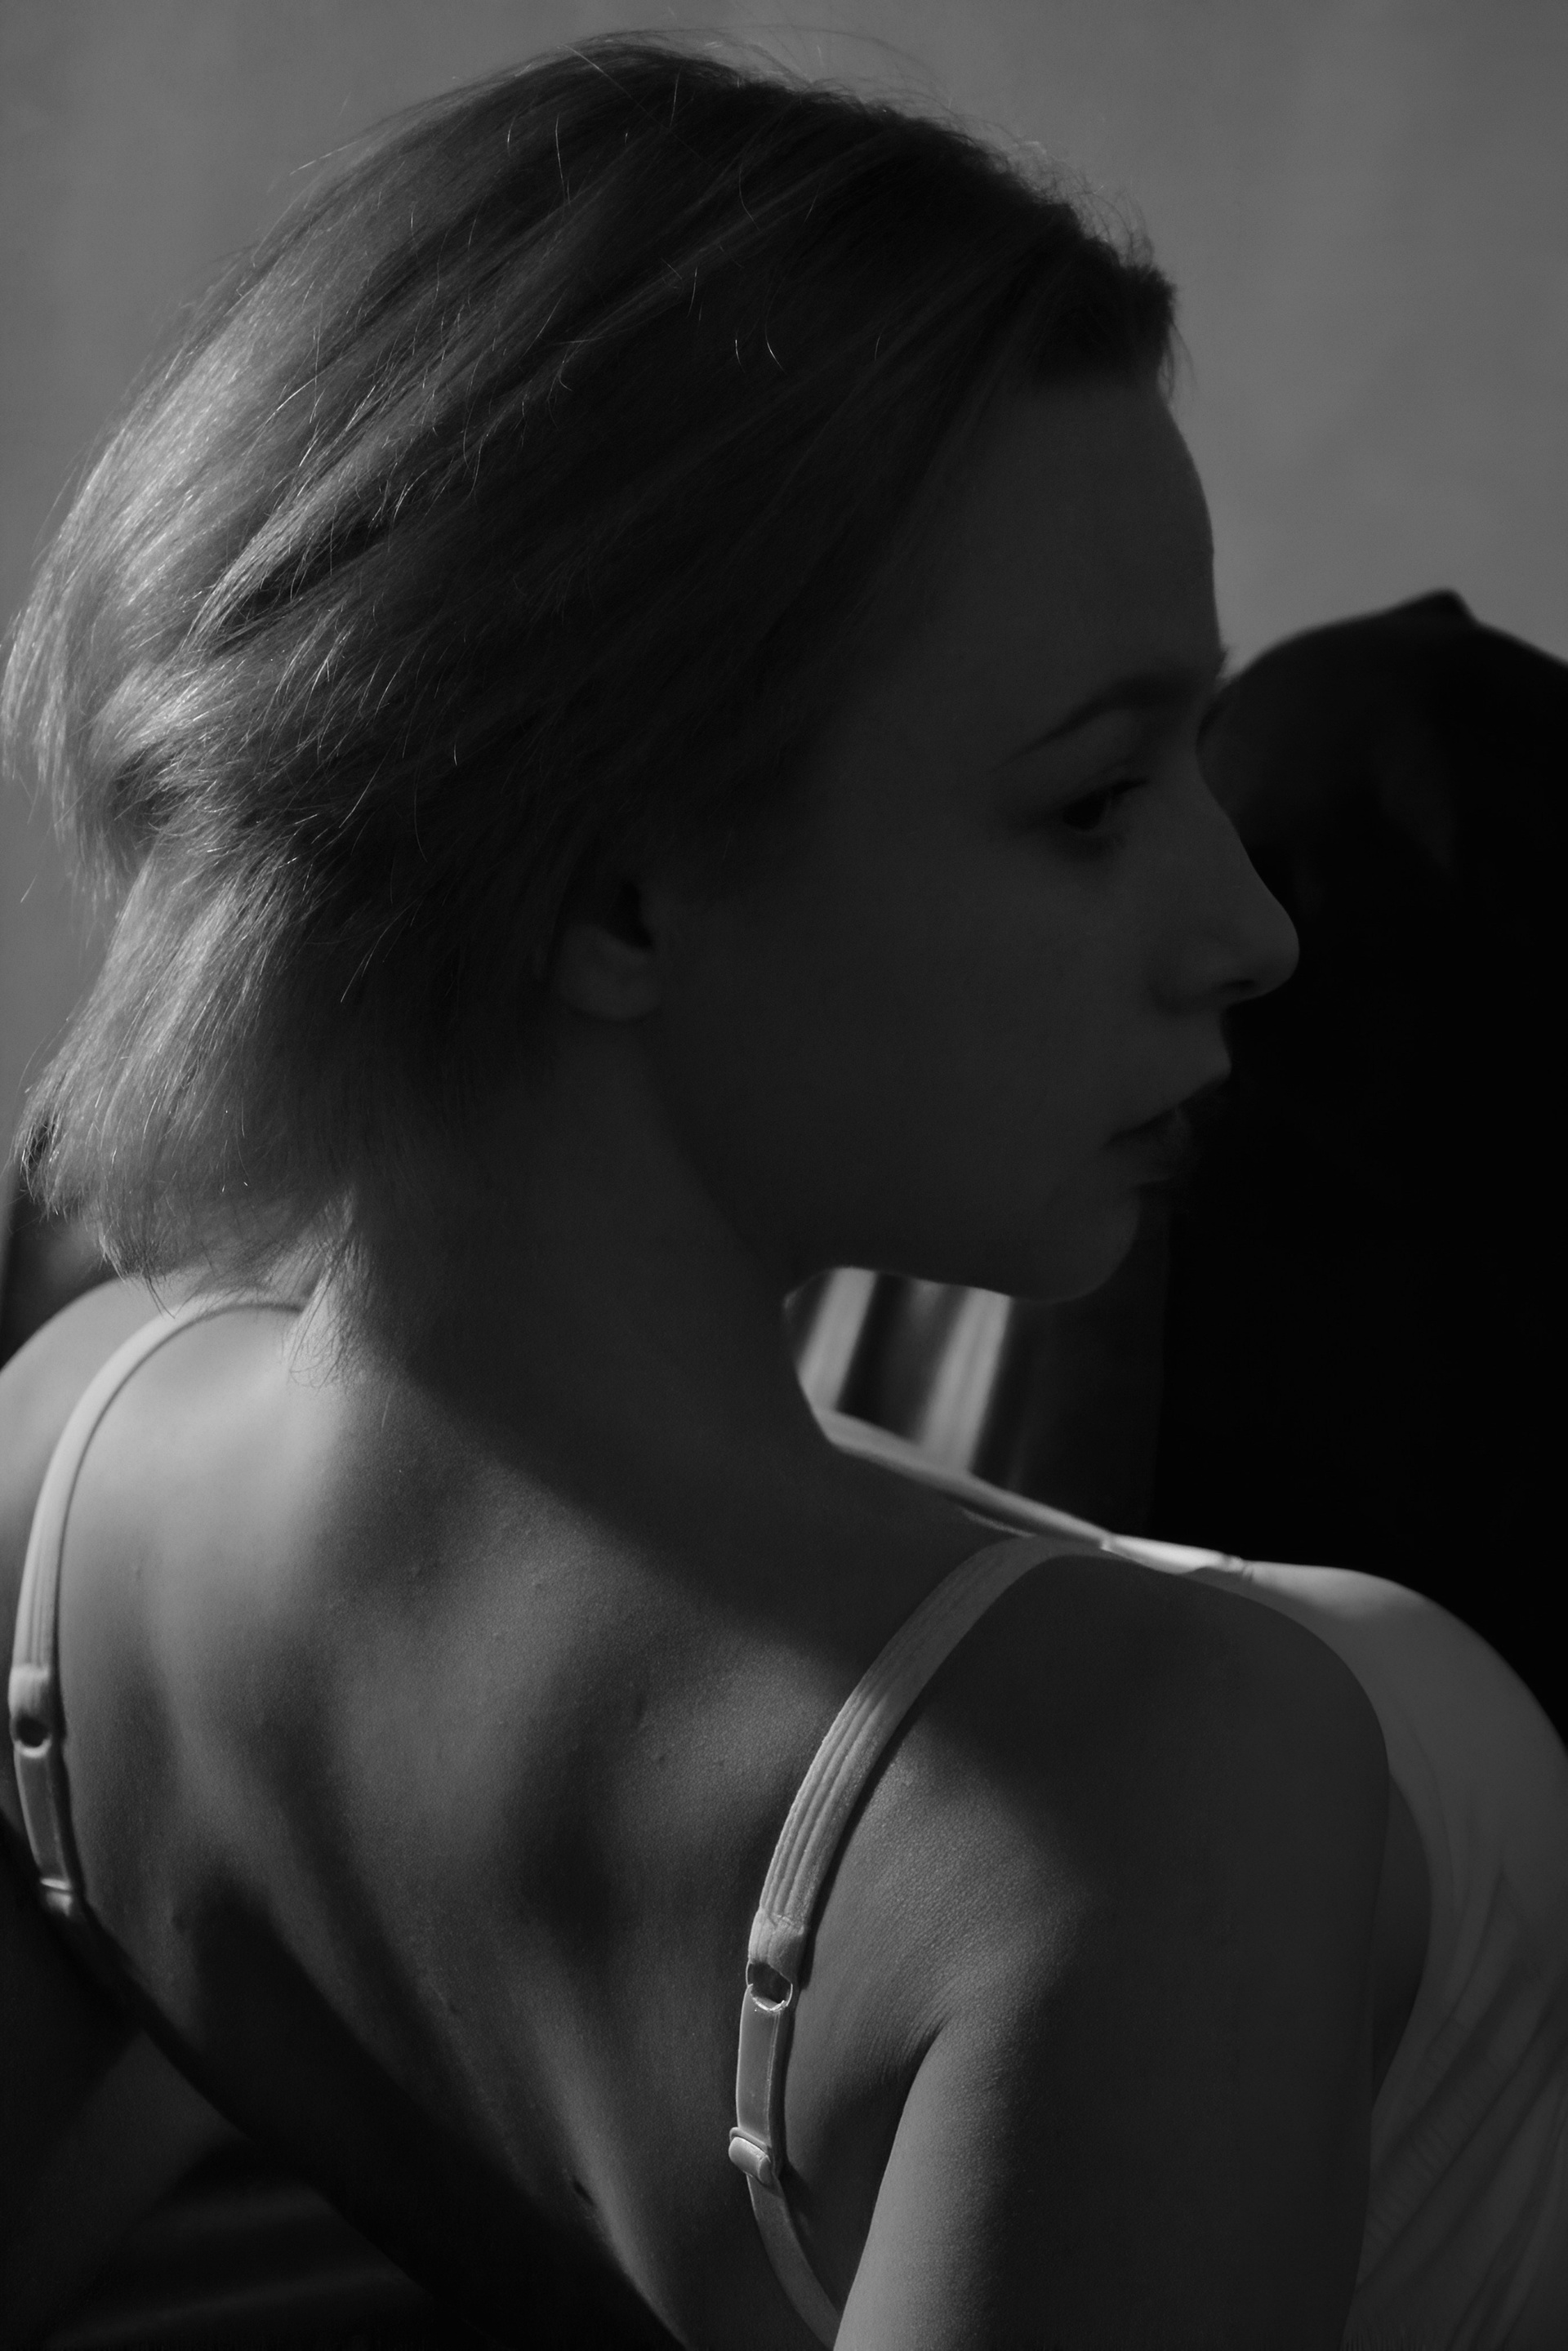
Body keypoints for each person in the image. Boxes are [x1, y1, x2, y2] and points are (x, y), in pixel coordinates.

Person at [1, 35, 1563, 2349]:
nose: (1249, 930)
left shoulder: (61, 1453)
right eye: (1091, 802)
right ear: (614, 884)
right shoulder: (1122, 1818)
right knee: (1422, 768)